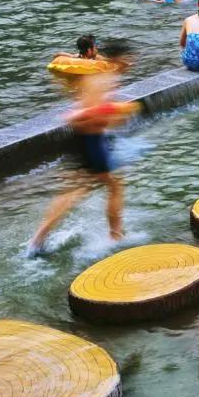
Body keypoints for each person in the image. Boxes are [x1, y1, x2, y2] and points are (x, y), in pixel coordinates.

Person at [28, 40, 137, 255]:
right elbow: (95, 112)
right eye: (129, 60)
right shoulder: (104, 78)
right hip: (91, 141)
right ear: (120, 59)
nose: (131, 64)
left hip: (85, 139)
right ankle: (115, 237)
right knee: (101, 188)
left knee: (82, 189)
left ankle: (39, 238)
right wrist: (120, 111)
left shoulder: (96, 74)